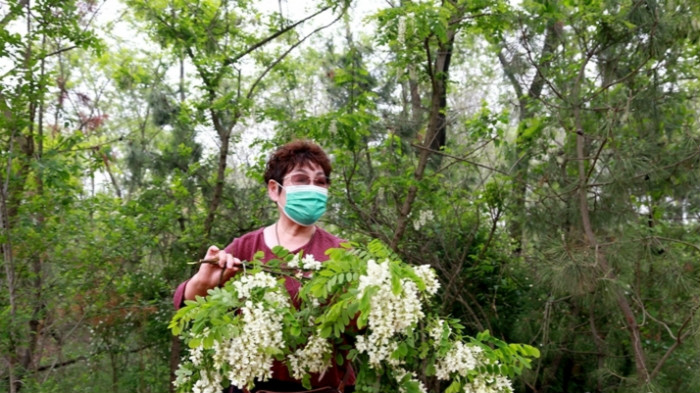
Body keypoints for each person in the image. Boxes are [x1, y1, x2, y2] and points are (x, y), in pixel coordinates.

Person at [173, 140, 355, 393]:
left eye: (320, 182)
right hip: (254, 384)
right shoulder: (246, 247)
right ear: (274, 189)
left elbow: (361, 326)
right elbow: (188, 307)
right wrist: (205, 281)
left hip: (325, 387)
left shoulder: (343, 253)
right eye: (301, 180)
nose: (312, 189)